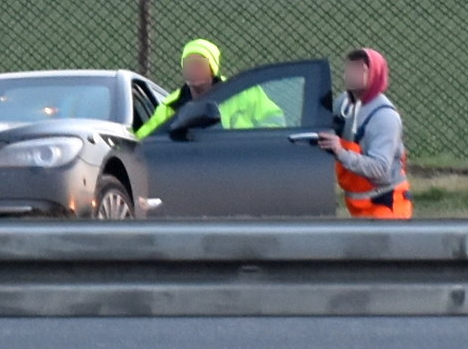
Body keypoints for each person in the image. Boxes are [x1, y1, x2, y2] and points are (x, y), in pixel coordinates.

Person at [317, 48, 412, 219]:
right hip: (359, 207)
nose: (351, 75)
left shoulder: (384, 117)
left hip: (386, 206)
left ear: (375, 74)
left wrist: (340, 152)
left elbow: (379, 168)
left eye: (360, 70)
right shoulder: (343, 103)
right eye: (349, 69)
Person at [136, 38, 285, 138]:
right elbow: (145, 138)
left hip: (241, 161)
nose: (193, 70)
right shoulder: (171, 105)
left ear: (213, 67)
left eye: (199, 64)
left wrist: (248, 142)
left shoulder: (244, 92)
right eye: (188, 64)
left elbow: (275, 123)